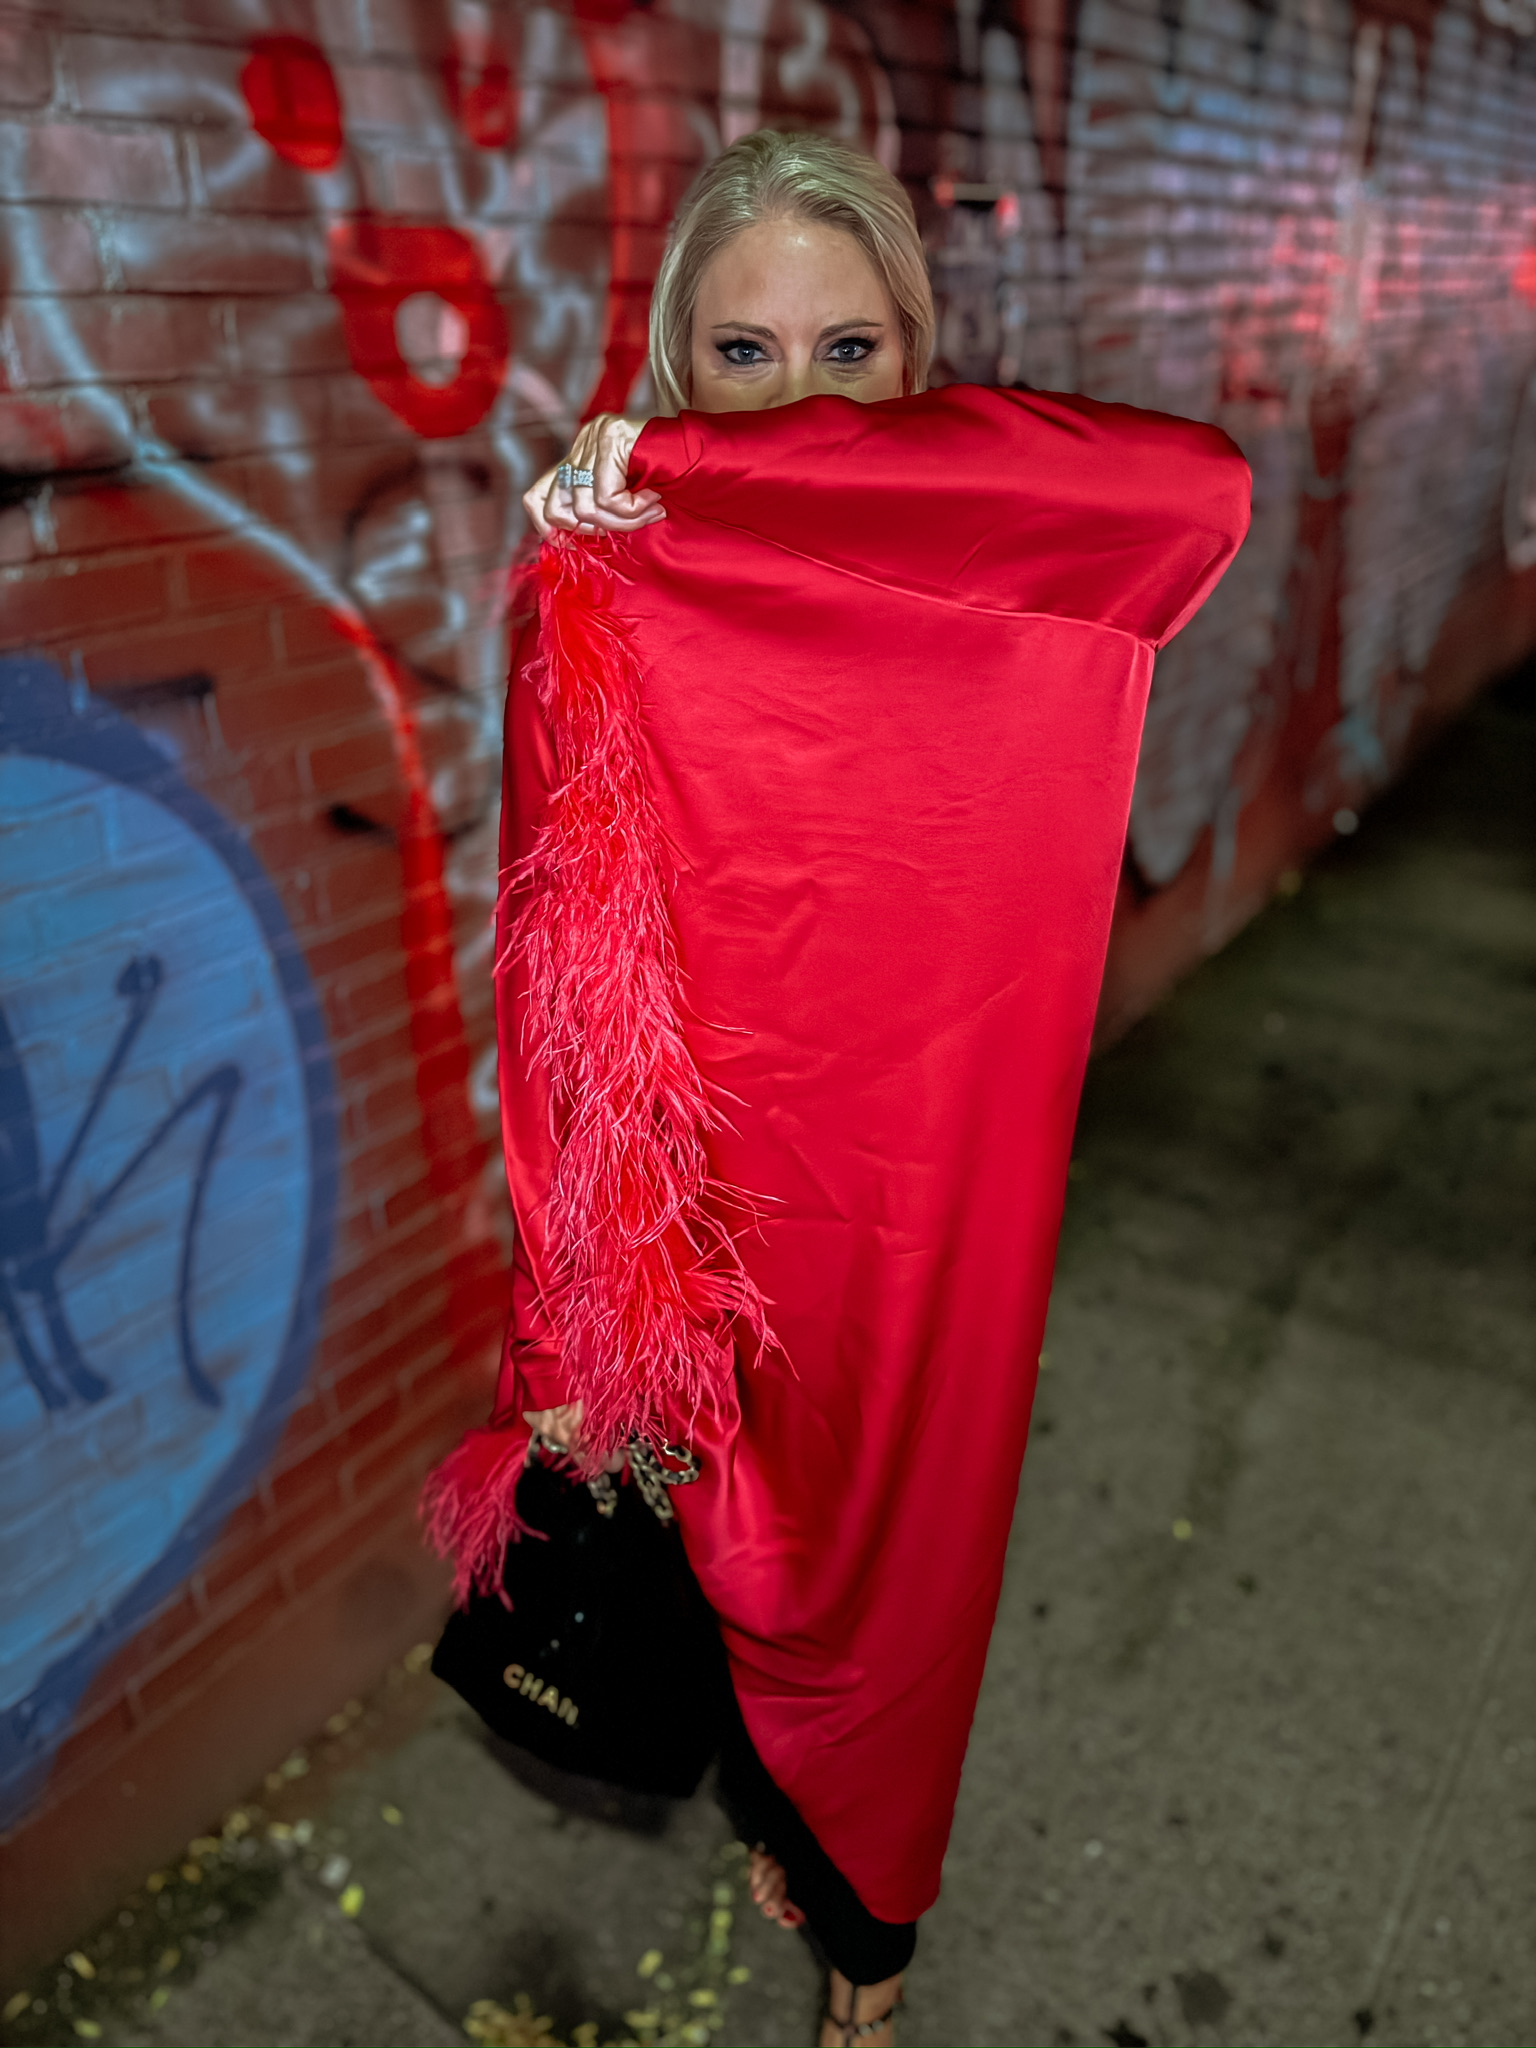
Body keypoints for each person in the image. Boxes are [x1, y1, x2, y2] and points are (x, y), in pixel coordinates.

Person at [427, 129, 1250, 2048]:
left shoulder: (996, 565)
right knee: (718, 1567)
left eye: (849, 352)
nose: (799, 403)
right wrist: (560, 1317)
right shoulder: (606, 589)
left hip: (919, 1206)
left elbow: (1191, 490)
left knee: (894, 1601)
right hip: (696, 1217)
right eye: (741, 359)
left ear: (921, 366)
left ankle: (865, 1957)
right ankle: (796, 1854)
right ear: (667, 363)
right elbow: (552, 962)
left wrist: (714, 463)